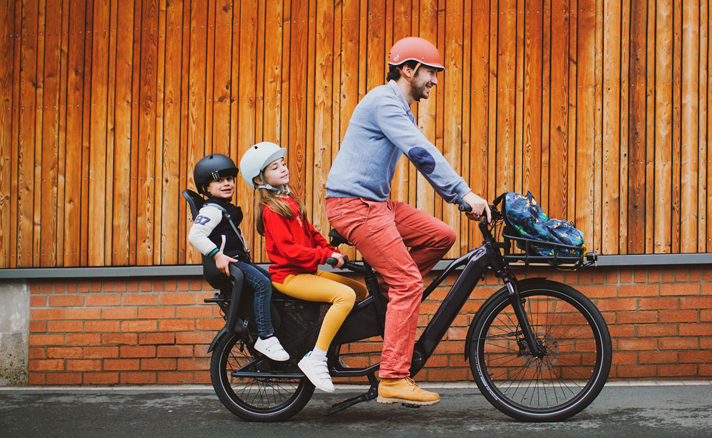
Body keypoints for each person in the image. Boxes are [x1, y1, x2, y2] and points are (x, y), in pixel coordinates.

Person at [325, 36, 491, 406]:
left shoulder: (398, 106)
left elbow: (419, 150)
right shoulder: (385, 101)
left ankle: (390, 295)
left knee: (440, 236)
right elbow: (420, 152)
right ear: (408, 69)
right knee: (409, 283)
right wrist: (462, 193)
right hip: (355, 206)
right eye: (430, 72)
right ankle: (394, 377)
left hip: (377, 204)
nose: (434, 81)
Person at [240, 142, 368, 393]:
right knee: (346, 296)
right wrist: (323, 256)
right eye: (275, 167)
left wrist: (329, 250)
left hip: (306, 272)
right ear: (259, 179)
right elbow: (289, 252)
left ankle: (326, 348)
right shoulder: (271, 210)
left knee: (361, 293)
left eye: (283, 164)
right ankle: (316, 357)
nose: (283, 169)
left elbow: (311, 234)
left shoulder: (290, 201)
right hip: (289, 277)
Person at [188, 153, 290, 362]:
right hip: (230, 265)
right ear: (206, 188)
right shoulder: (212, 210)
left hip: (238, 261)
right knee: (262, 284)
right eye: (219, 180)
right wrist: (217, 255)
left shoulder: (225, 209)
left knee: (273, 281)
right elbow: (195, 235)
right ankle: (266, 336)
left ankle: (279, 332)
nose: (227, 184)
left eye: (229, 179)